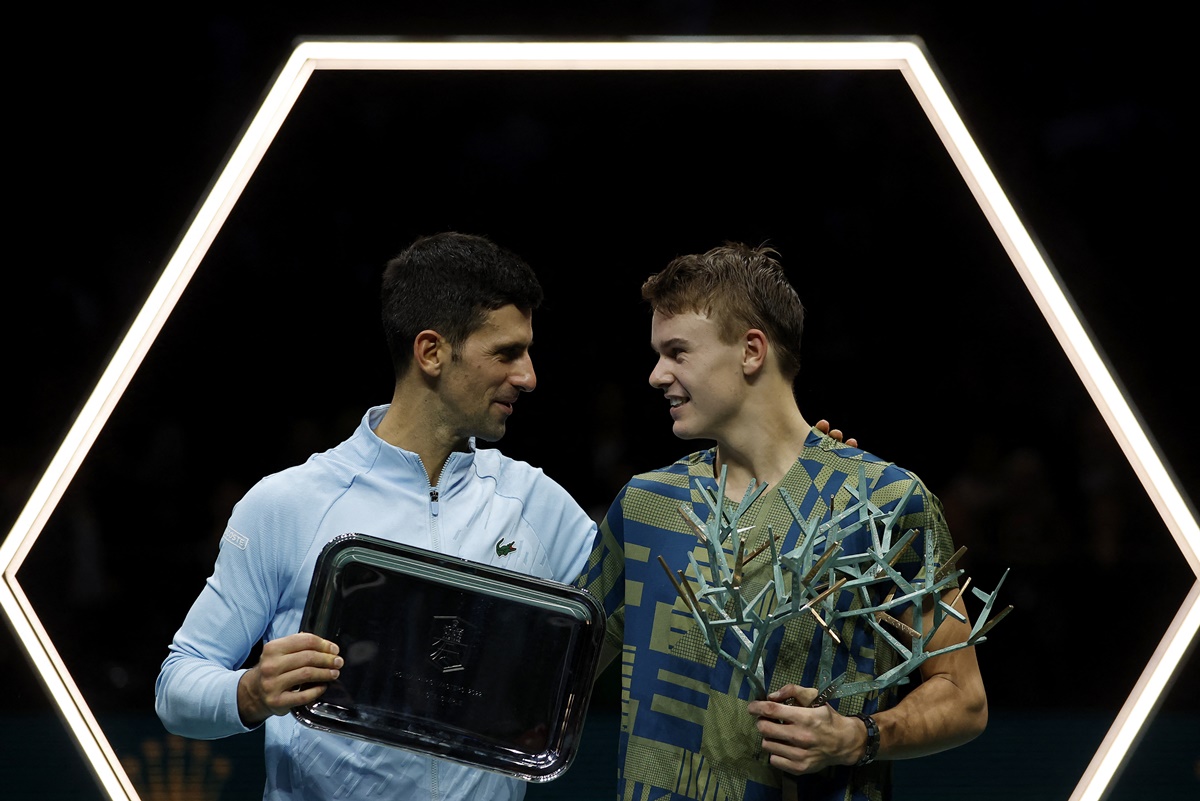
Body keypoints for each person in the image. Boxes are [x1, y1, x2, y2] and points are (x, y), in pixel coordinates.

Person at [154, 231, 599, 800]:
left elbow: (648, 615)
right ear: (432, 352)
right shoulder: (287, 504)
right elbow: (178, 687)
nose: (529, 376)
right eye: (507, 353)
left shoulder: (536, 504)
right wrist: (250, 692)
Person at [578, 242, 988, 801]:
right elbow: (548, 676)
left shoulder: (883, 502)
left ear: (751, 351)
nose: (656, 375)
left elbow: (962, 697)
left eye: (677, 352)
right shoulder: (645, 507)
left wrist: (856, 736)